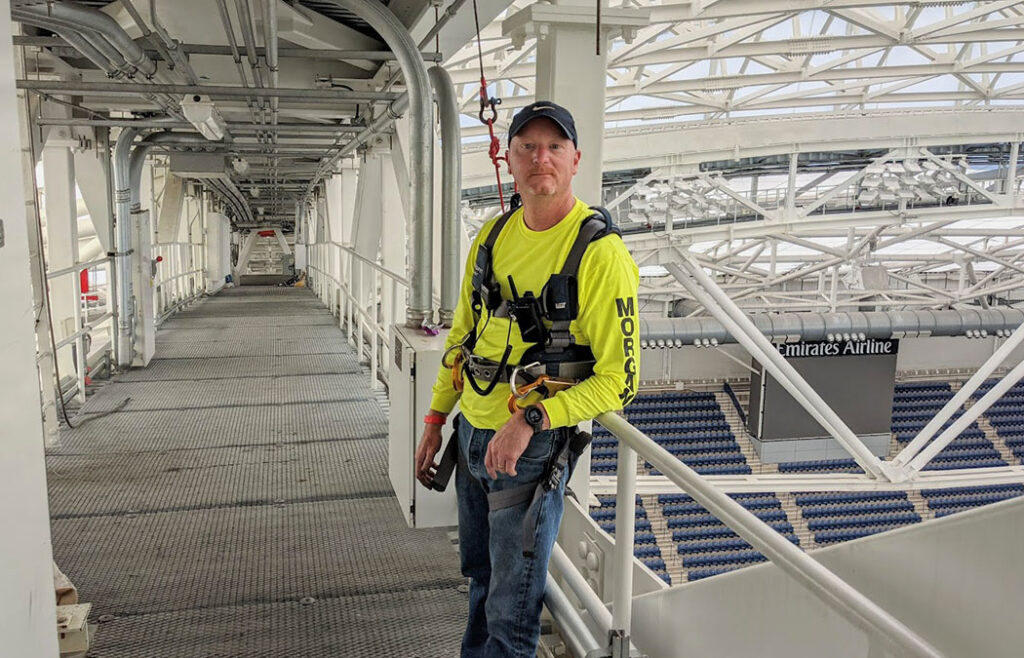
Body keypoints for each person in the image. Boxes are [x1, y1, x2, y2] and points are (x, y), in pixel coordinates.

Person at [414, 100, 639, 658]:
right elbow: (461, 339)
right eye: (528, 148)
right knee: (482, 581)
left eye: (555, 147)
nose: (542, 158)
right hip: (470, 434)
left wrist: (532, 418)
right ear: (508, 160)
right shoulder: (491, 237)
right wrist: (436, 419)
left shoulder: (600, 255)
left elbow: (621, 381)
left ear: (575, 160)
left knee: (512, 614)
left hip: (528, 451)